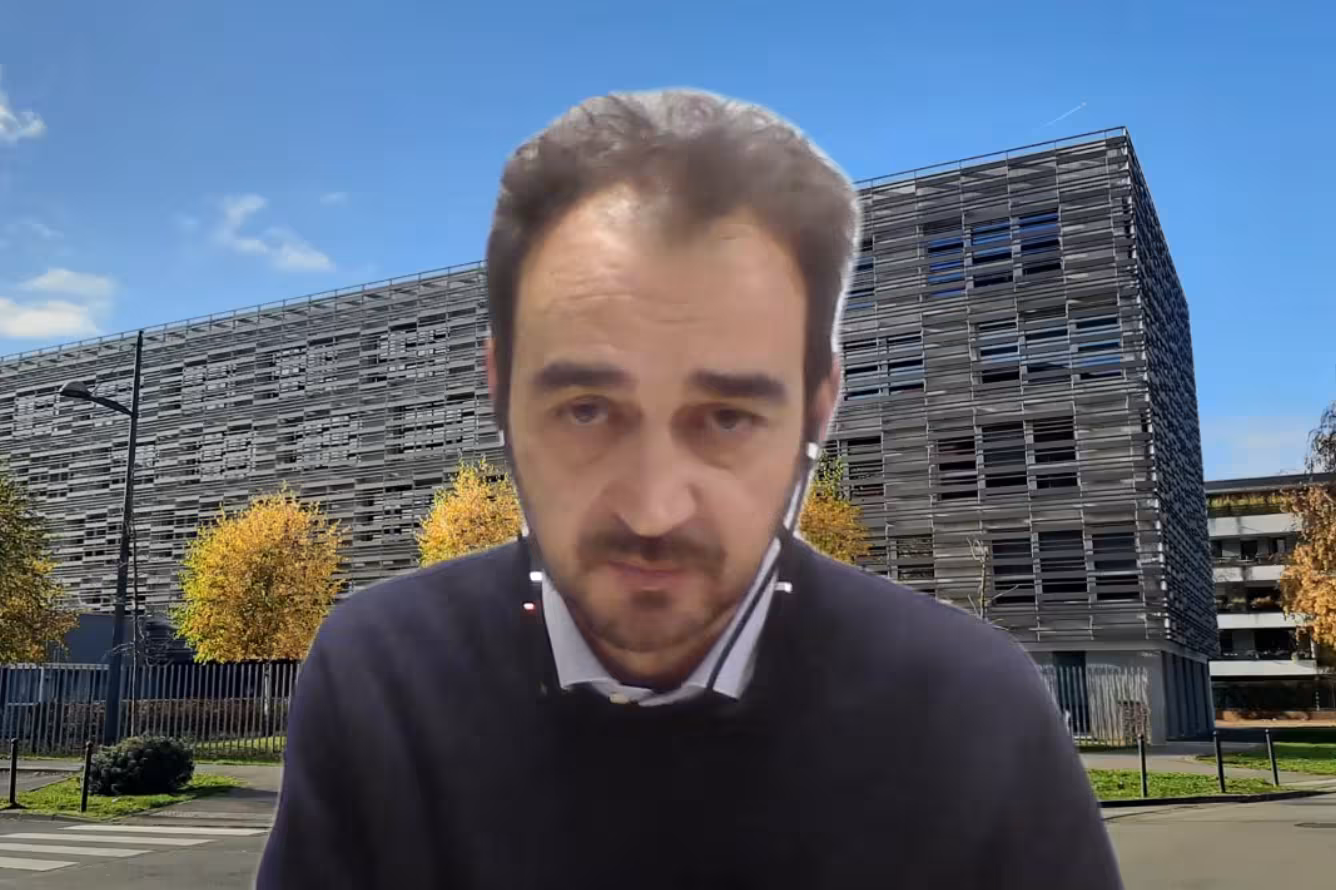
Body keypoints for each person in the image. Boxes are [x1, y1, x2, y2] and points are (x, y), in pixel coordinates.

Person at [257, 88, 1123, 889]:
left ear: (819, 405)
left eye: (727, 417)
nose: (653, 509)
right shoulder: (380, 677)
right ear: (499, 390)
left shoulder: (973, 712)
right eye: (587, 410)